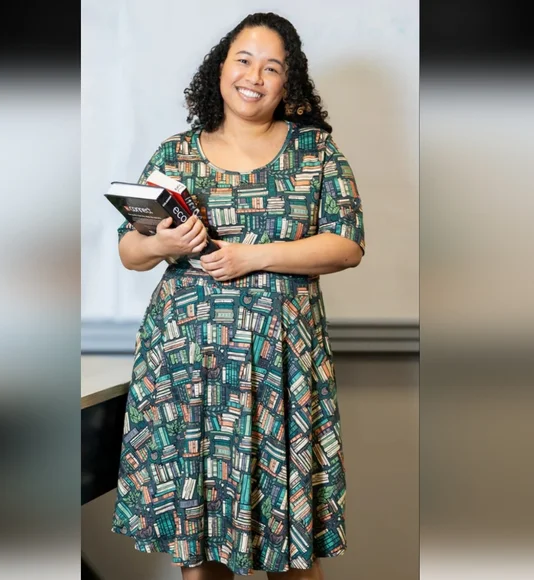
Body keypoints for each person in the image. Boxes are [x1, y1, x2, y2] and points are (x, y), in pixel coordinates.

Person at [111, 11, 365, 580]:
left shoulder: (316, 153)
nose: (254, 76)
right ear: (220, 68)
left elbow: (347, 245)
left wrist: (253, 256)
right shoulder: (175, 154)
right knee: (200, 541)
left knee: (290, 542)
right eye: (243, 60)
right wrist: (162, 242)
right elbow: (130, 251)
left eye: (271, 67)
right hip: (187, 369)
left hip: (281, 371)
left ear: (288, 82)